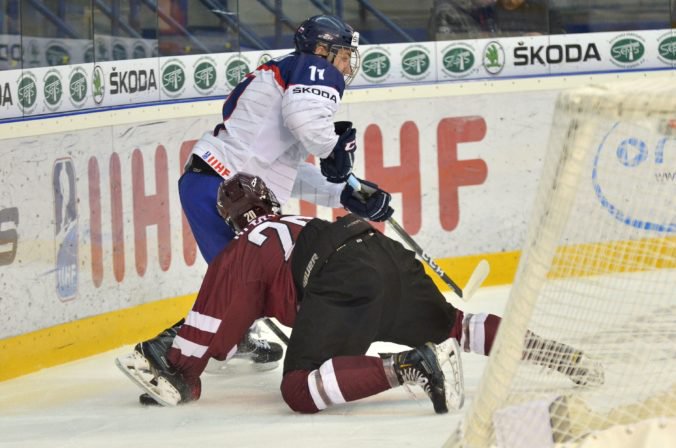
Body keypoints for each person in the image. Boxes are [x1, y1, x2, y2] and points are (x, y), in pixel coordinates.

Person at [116, 173, 603, 413]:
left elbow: (212, 323)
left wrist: (181, 374)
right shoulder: (300, 218)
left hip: (341, 278)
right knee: (455, 323)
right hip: (379, 251)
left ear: (231, 220)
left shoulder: (243, 250)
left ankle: (414, 365)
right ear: (270, 202)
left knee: (298, 388)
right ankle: (558, 354)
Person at [160, 14, 394, 377]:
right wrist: (334, 149)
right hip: (228, 192)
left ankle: (235, 334)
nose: (346, 64)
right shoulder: (313, 68)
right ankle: (169, 348)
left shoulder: (285, 75)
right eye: (343, 54)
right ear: (320, 50)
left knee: (244, 280)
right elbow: (309, 123)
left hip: (211, 184)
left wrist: (344, 193)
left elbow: (284, 172)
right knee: (249, 281)